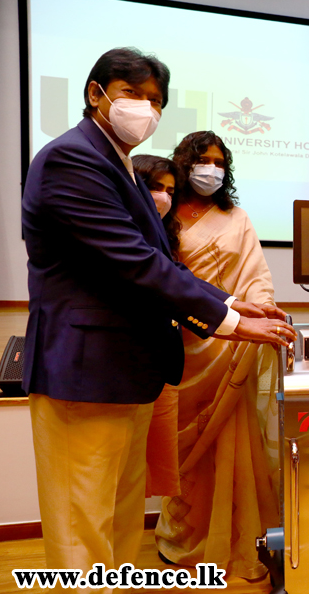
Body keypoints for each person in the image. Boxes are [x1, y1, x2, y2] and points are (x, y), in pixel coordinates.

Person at [21, 47, 294, 593]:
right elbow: (133, 262)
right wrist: (231, 321)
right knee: (82, 530)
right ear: (95, 93)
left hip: (129, 373)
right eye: (132, 94)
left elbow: (163, 263)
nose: (144, 108)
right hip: (86, 373)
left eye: (155, 100)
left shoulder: (118, 163)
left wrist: (236, 303)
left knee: (119, 522)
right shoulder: (73, 159)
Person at [153, 132, 281, 580]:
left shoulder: (237, 217)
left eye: (219, 161)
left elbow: (256, 275)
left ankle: (235, 537)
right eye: (202, 160)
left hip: (231, 350)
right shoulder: (162, 216)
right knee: (183, 449)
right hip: (179, 349)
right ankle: (185, 538)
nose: (211, 168)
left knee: (232, 446)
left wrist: (261, 309)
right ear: (183, 164)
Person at [131, 154, 184, 498]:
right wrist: (231, 316)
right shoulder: (122, 229)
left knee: (145, 480)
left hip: (159, 369)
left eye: (169, 190)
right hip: (125, 368)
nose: (163, 197)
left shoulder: (165, 233)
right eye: (154, 186)